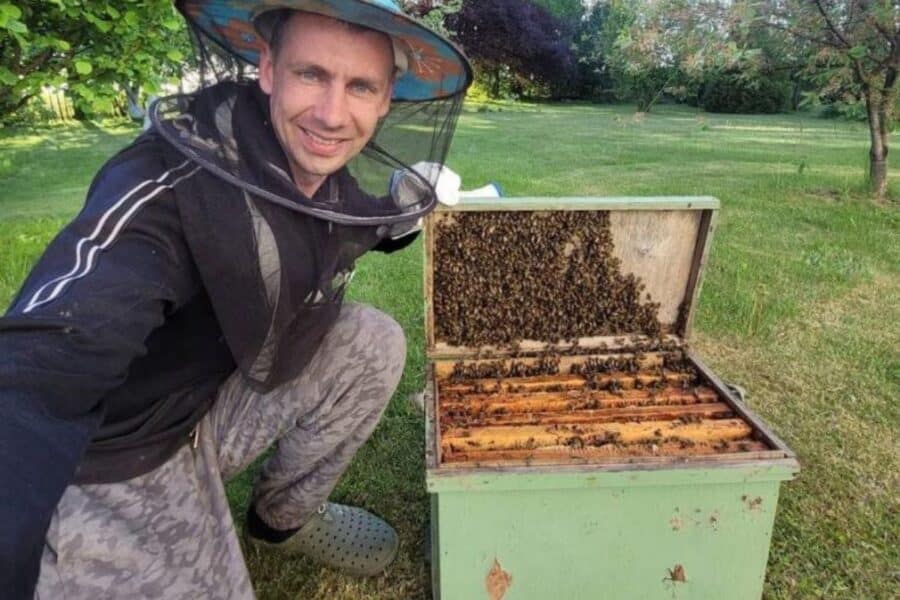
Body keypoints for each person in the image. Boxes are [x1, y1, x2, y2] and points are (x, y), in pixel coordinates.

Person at [0, 1, 471, 597]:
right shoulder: (168, 189)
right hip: (120, 453)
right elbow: (44, 366)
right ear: (268, 68)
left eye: (360, 86)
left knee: (372, 343)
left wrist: (403, 209)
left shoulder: (315, 168)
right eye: (311, 74)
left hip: (213, 404)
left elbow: (343, 223)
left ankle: (282, 520)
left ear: (385, 100)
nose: (332, 114)